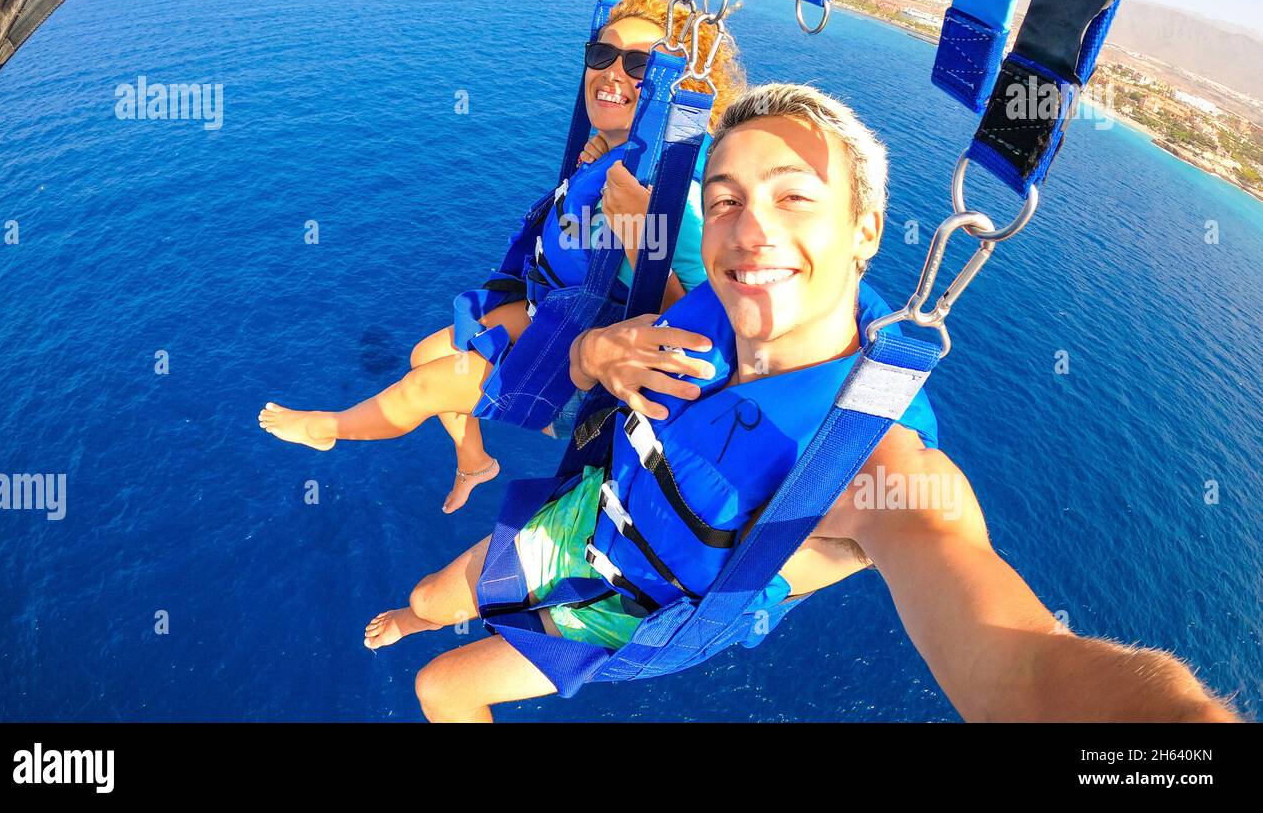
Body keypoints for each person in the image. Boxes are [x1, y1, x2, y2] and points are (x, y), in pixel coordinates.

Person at [358, 83, 1239, 723]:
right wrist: (595, 350)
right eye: (726, 200)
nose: (752, 228)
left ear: (864, 230)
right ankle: (414, 614)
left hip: (639, 607)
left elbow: (1025, 673)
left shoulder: (873, 462)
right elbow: (602, 347)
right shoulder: (700, 310)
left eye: (793, 195)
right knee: (432, 596)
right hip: (582, 518)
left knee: (442, 688)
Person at [258, 0, 745, 512]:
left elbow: (694, 328)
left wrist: (641, 233)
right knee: (425, 353)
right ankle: (475, 463)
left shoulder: (681, 195)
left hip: (596, 350)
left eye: (639, 66)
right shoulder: (625, 153)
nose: (612, 74)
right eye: (602, 56)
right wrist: (602, 154)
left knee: (422, 389)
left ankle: (328, 429)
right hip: (558, 304)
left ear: (681, 88)